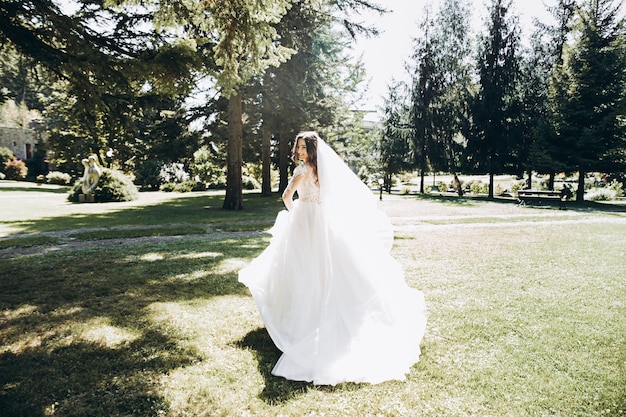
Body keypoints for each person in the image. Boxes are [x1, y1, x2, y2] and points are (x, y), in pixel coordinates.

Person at [239, 131, 427, 385]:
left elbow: (286, 197)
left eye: (304, 148)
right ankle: (313, 313)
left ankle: (304, 319)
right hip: (323, 221)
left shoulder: (302, 171)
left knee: (304, 268)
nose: (301, 152)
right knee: (319, 268)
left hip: (306, 222)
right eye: (299, 148)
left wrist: (296, 215)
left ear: (311, 150)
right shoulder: (324, 171)